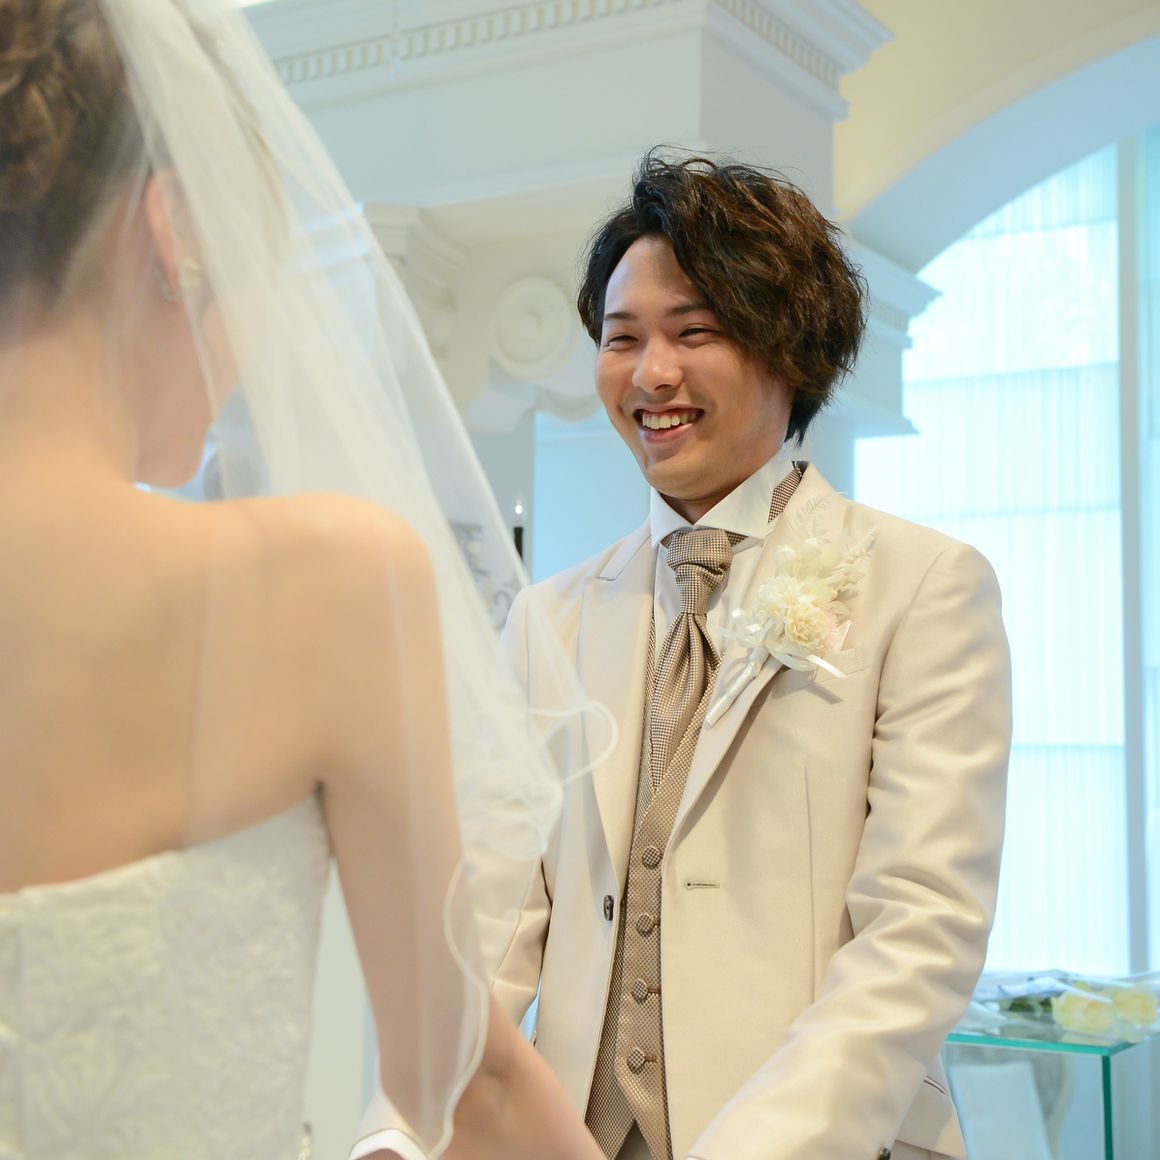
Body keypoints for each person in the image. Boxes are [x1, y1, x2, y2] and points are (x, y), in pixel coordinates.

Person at [0, 1, 604, 1158]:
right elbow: (463, 1085)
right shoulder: (330, 583)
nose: (242, 362)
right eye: (250, 275)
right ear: (174, 234)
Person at [479, 155, 1013, 1160]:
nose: (651, 374)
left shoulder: (922, 586)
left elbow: (919, 928)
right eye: (621, 337)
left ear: (789, 348)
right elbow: (490, 913)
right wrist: (407, 1120)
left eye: (694, 332)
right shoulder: (550, 619)